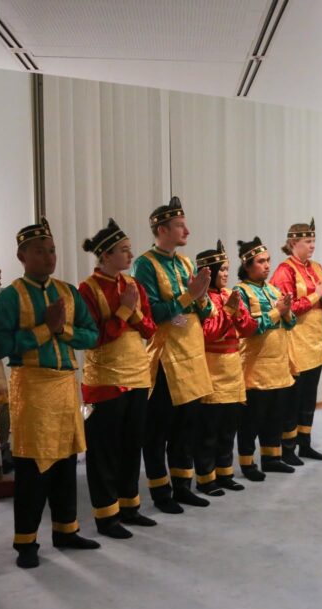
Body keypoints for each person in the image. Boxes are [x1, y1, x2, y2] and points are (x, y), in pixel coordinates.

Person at [0, 218, 101, 569]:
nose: (49, 257)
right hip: (32, 386)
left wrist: (62, 330)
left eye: (52, 250)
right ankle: (26, 542)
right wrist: (44, 330)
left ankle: (66, 531)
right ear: (22, 256)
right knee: (33, 469)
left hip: (65, 386)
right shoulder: (11, 295)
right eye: (39, 251)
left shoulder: (67, 292)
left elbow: (92, 335)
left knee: (66, 463)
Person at [133, 196, 214, 513]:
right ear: (162, 229)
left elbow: (203, 311)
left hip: (192, 352)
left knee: (187, 425)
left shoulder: (186, 263)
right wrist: (188, 296)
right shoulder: (145, 264)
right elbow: (151, 312)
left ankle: (182, 485)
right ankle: (160, 491)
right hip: (166, 356)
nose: (187, 231)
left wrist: (202, 297)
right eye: (180, 226)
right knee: (159, 428)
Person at [78, 219, 158, 538]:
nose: (130, 255)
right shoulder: (88, 289)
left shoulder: (133, 286)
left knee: (131, 444)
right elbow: (92, 338)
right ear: (105, 255)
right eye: (124, 250)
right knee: (104, 450)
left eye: (129, 249)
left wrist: (133, 312)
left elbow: (150, 330)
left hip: (137, 375)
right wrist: (124, 312)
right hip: (105, 380)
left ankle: (129, 506)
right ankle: (106, 515)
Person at [195, 241, 258, 494]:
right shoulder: (202, 299)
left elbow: (249, 328)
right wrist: (229, 312)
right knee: (209, 429)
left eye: (227, 269)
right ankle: (205, 478)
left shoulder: (229, 294)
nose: (225, 274)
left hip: (233, 368)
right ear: (209, 271)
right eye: (221, 269)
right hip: (212, 368)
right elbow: (208, 333)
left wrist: (238, 313)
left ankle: (225, 473)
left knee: (228, 427)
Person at [270, 219, 322, 464]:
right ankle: (287, 448)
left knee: (309, 397)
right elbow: (288, 309)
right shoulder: (284, 271)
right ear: (293, 243)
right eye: (308, 241)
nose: (312, 245)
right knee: (292, 399)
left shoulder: (316, 267)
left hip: (314, 341)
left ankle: (304, 444)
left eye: (314, 241)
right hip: (294, 342)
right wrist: (316, 295)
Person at [234, 236, 297, 479]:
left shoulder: (273, 289)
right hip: (256, 367)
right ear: (247, 265)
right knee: (252, 419)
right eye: (261, 261)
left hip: (279, 365)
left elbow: (290, 324)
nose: (267, 265)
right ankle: (248, 463)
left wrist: (287, 311)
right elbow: (249, 328)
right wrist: (277, 312)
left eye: (268, 260)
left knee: (275, 416)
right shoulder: (240, 291)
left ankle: (272, 458)